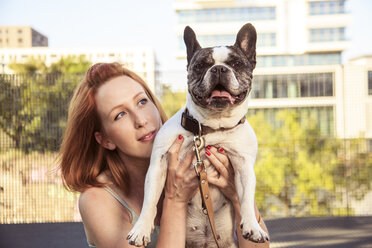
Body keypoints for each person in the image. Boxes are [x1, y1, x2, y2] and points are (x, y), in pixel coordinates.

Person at [59, 62, 269, 248]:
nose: (140, 120)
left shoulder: (196, 163)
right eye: (120, 114)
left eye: (142, 101)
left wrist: (237, 195)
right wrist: (175, 200)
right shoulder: (98, 199)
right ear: (105, 139)